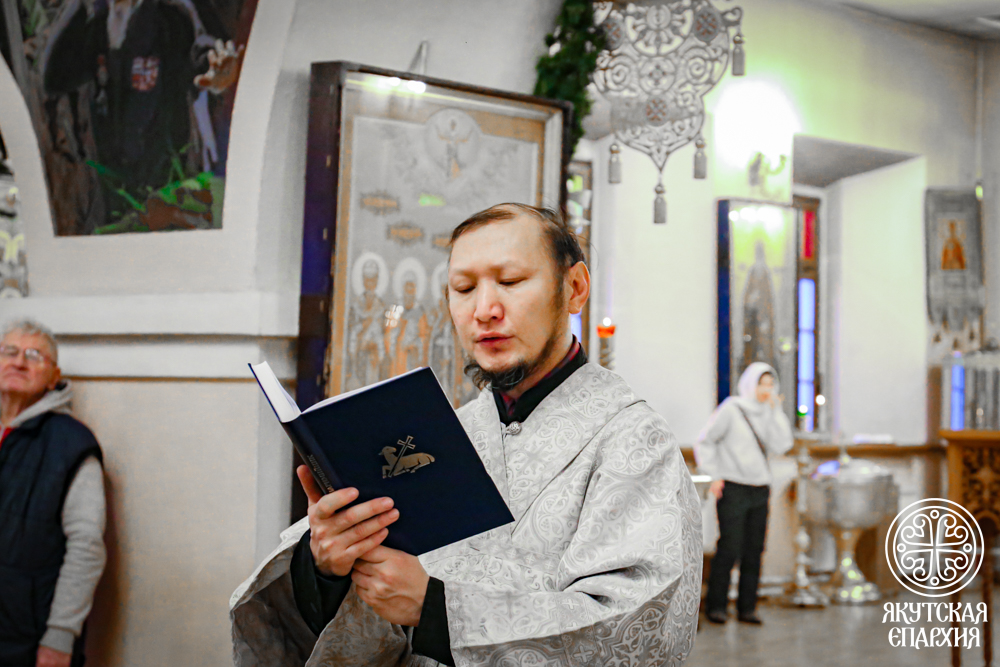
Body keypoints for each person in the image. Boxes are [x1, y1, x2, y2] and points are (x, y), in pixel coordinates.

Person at [230, 204, 702, 665]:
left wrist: (436, 610)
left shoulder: (634, 440)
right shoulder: (447, 431)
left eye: (511, 282)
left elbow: (637, 630)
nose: (484, 310)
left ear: (574, 288)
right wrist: (326, 567)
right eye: (463, 288)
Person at [0, 320, 106, 667]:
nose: (18, 362)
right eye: (9, 351)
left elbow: (86, 547)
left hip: (26, 639)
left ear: (53, 376)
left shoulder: (72, 444)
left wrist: (60, 636)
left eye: (34, 355)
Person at [694, 362, 792, 625]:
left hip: (760, 487)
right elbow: (705, 441)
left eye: (770, 384)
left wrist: (776, 411)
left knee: (754, 549)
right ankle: (717, 606)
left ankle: (747, 607)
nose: (766, 389)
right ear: (750, 384)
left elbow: (783, 445)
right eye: (762, 383)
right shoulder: (732, 408)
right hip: (733, 486)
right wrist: (713, 475)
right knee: (730, 546)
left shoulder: (769, 412)